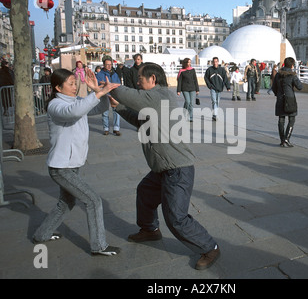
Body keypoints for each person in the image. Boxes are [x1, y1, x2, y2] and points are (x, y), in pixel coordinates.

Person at [109, 63, 220, 270]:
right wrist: (119, 107)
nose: (138, 83)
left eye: (140, 79)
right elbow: (139, 119)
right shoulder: (153, 103)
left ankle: (210, 247)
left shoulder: (161, 96)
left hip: (178, 168)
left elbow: (131, 96)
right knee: (145, 192)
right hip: (162, 168)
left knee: (176, 217)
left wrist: (108, 86)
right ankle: (150, 229)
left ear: (152, 79)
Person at [32, 68, 120, 256]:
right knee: (93, 201)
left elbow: (99, 108)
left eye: (75, 82)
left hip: (72, 164)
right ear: (57, 87)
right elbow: (73, 112)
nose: (75, 86)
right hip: (61, 167)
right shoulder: (55, 105)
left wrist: (99, 92)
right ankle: (99, 245)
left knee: (65, 203)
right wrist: (96, 93)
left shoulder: (77, 101)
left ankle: (42, 234)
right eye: (71, 84)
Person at [272, 57, 303, 148]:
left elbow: (274, 87)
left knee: (281, 119)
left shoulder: (278, 74)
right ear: (292, 65)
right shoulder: (292, 75)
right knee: (291, 119)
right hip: (290, 99)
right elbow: (300, 87)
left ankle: (282, 140)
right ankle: (286, 139)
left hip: (280, 98)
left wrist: (278, 94)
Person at [96, 56, 121, 136]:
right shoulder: (100, 74)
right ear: (103, 65)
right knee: (105, 112)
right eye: (107, 64)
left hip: (114, 95)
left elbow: (118, 84)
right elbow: (97, 86)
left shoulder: (115, 74)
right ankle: (106, 128)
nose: (109, 66)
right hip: (104, 95)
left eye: (110, 64)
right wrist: (102, 86)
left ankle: (116, 128)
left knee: (116, 112)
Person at [204, 57, 230, 121]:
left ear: (218, 62)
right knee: (214, 101)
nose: (215, 63)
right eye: (214, 62)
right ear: (212, 62)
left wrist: (228, 87)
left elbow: (225, 78)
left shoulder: (222, 70)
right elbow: (206, 78)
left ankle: (214, 114)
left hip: (219, 88)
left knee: (217, 102)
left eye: (216, 61)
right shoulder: (209, 70)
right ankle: (215, 115)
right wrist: (209, 86)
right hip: (212, 88)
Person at [177, 58, 199, 122]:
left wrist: (197, 89)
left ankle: (190, 117)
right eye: (188, 62)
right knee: (187, 101)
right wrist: (178, 90)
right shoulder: (181, 71)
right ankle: (184, 113)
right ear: (185, 63)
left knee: (191, 103)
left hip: (193, 88)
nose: (189, 64)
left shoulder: (192, 70)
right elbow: (180, 81)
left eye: (190, 62)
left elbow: (195, 80)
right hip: (185, 89)